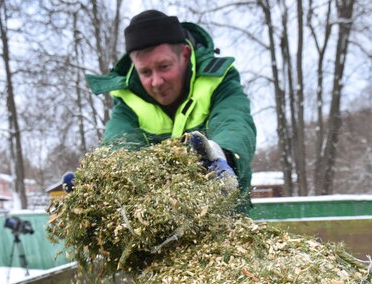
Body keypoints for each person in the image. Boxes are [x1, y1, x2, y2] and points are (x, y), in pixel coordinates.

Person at [85, 10, 256, 212]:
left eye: (164, 66)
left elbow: (234, 122)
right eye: (145, 72)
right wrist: (103, 180)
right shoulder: (127, 98)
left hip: (222, 216)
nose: (156, 81)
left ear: (184, 54)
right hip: (153, 222)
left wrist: (223, 155)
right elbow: (118, 144)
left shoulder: (218, 78)